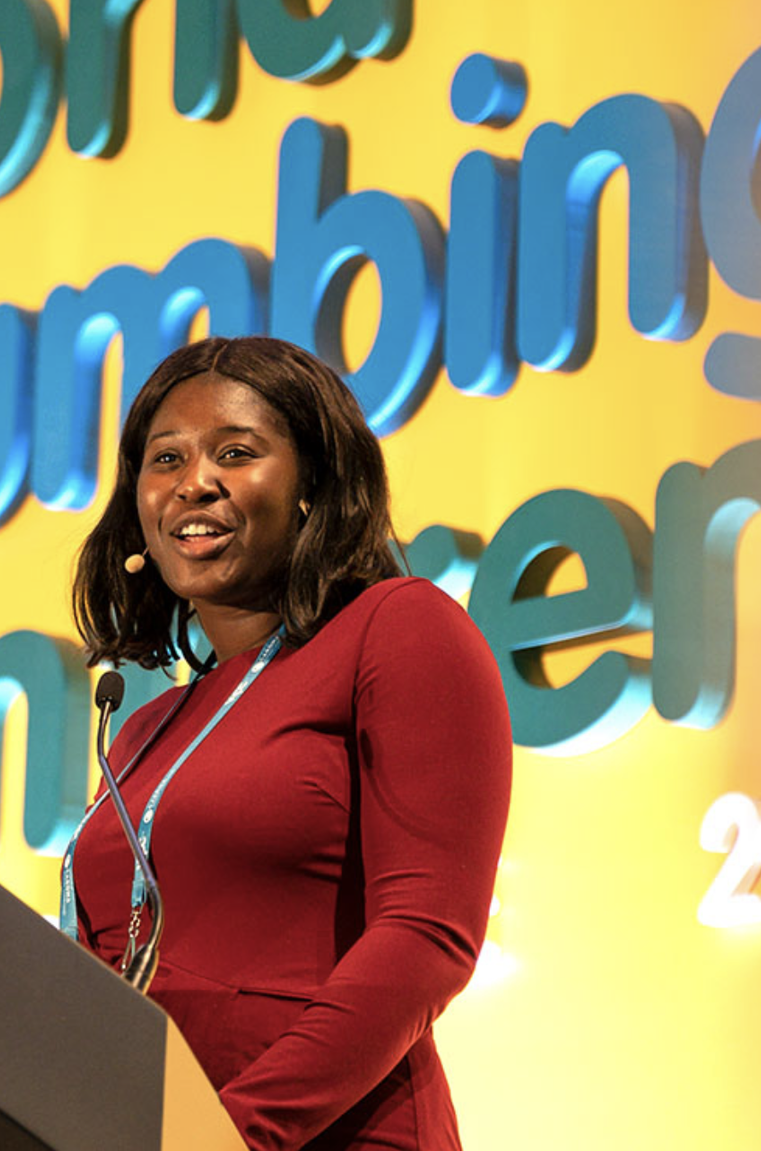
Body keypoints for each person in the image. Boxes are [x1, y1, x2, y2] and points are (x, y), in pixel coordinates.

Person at [65, 336, 511, 1151]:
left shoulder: (400, 629)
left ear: (314, 487)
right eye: (165, 460)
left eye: (236, 452)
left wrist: (227, 1136)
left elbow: (428, 937)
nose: (194, 482)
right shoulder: (138, 731)